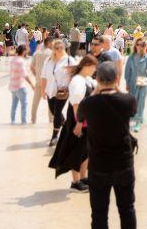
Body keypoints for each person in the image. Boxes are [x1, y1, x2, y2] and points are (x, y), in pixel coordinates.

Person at [78, 61, 137, 229]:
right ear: (117, 78)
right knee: (127, 209)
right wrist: (118, 88)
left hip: (99, 166)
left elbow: (80, 116)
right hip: (123, 164)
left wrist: (96, 92)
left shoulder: (88, 104)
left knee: (99, 213)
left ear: (97, 80)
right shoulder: (127, 100)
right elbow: (132, 109)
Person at [50, 55, 97, 192]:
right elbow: (76, 104)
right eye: (94, 67)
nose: (95, 70)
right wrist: (79, 123)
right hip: (77, 122)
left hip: (86, 121)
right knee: (76, 152)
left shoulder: (87, 79)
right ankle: (75, 181)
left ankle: (83, 177)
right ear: (87, 65)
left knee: (85, 152)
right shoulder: (77, 81)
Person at [40, 41, 77, 146]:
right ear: (53, 49)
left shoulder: (70, 60)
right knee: (53, 112)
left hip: (62, 91)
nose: (59, 49)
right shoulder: (48, 61)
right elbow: (43, 76)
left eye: (61, 47)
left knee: (57, 113)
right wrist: (43, 91)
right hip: (50, 91)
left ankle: (54, 136)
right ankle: (66, 126)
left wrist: (72, 88)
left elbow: (76, 75)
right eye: (57, 48)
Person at [124, 38, 147, 132]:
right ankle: (138, 117)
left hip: (143, 80)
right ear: (135, 45)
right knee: (134, 101)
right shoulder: (131, 57)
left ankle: (138, 122)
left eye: (142, 45)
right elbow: (127, 72)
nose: (139, 46)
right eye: (137, 44)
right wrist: (127, 83)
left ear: (145, 46)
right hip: (132, 81)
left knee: (141, 101)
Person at [9, 45, 34, 124]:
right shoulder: (21, 61)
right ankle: (23, 122)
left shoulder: (13, 60)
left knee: (14, 104)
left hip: (12, 85)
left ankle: (12, 121)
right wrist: (31, 84)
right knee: (24, 104)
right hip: (20, 86)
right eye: (26, 51)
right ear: (23, 52)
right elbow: (25, 75)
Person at [31, 37, 53, 124]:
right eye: (52, 43)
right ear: (48, 43)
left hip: (39, 82)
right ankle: (51, 121)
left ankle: (33, 120)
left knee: (35, 103)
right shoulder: (51, 54)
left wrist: (36, 75)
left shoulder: (36, 53)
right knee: (51, 104)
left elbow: (31, 67)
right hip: (49, 83)